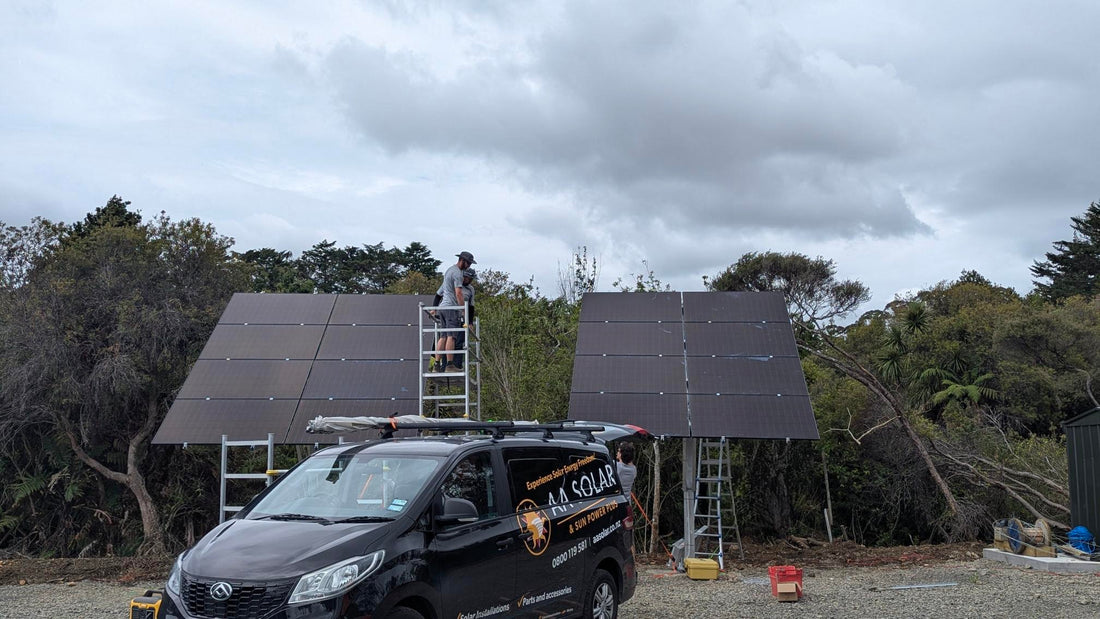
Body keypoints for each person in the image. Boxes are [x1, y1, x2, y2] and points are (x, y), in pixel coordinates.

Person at [435, 251, 476, 372]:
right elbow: (458, 293)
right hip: (451, 308)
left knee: (443, 336)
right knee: (451, 337)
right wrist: (463, 309)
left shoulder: (449, 270)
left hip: (443, 308)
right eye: (468, 263)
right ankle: (449, 365)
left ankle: (437, 365)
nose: (468, 266)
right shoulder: (457, 273)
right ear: (462, 261)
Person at [452, 268, 477, 370]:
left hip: (463, 318)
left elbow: (471, 306)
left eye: (471, 279)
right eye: (468, 278)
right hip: (452, 315)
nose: (469, 280)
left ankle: (457, 365)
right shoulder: (455, 284)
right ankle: (445, 365)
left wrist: (470, 322)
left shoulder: (471, 289)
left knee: (460, 341)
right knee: (448, 340)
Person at [617, 442, 637, 529]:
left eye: (618, 451)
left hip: (617, 503)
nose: (617, 453)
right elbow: (630, 463)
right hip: (627, 503)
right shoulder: (633, 470)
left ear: (621, 454)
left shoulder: (618, 467)